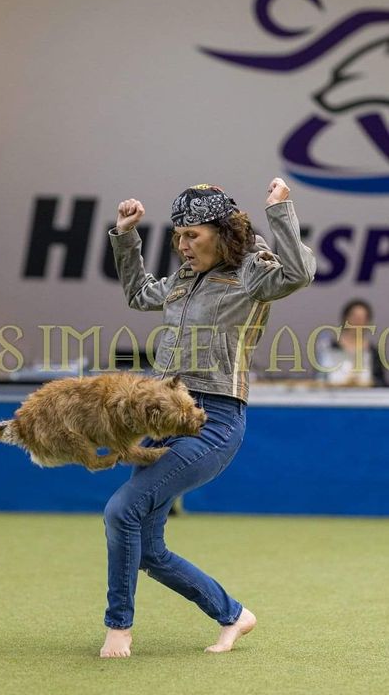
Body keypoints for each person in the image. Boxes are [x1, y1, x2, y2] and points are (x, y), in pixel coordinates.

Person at [101, 178, 316, 658]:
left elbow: (300, 273)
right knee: (150, 550)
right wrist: (127, 235)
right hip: (164, 418)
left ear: (222, 231)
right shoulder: (181, 278)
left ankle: (118, 629)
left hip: (214, 420)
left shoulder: (253, 273)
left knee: (121, 510)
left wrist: (281, 211)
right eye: (177, 235)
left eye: (191, 235)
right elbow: (138, 296)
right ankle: (234, 615)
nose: (181, 245)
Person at [316, 299, 387, 386]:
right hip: (332, 397)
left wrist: (368, 384)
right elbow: (319, 379)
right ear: (345, 318)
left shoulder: (372, 352)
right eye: (355, 317)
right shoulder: (328, 348)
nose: (358, 322)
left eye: (362, 318)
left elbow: (380, 381)